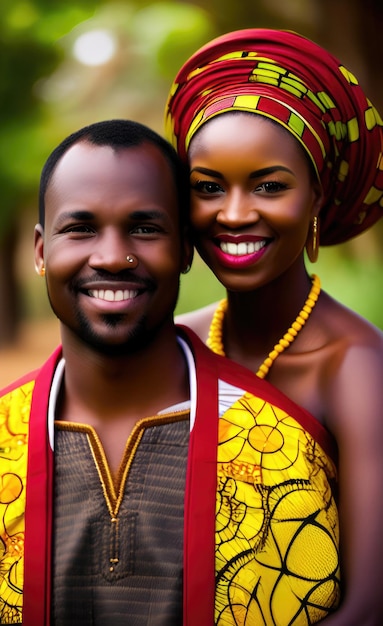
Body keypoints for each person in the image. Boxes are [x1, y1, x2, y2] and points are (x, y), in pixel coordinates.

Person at [0, 118, 341, 626]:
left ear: (185, 250)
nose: (113, 257)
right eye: (81, 228)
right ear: (41, 250)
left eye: (144, 228)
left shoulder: (285, 450)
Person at [165, 29, 383, 624]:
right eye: (208, 188)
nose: (234, 214)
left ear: (318, 195)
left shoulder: (355, 366)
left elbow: (368, 607)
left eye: (269, 185)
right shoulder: (175, 343)